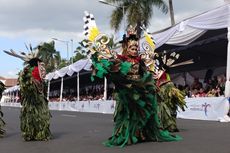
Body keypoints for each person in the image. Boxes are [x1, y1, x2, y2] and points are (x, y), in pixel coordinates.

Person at [83, 12, 181, 147]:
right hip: (127, 91)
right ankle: (127, 134)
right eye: (132, 48)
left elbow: (146, 73)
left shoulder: (141, 60)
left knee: (143, 113)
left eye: (136, 48)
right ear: (126, 48)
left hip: (140, 90)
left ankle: (141, 133)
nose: (135, 50)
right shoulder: (121, 59)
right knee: (128, 114)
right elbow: (111, 66)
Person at [4, 49, 52, 141]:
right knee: (37, 115)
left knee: (31, 115)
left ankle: (31, 134)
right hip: (35, 96)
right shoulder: (36, 69)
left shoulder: (28, 70)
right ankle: (38, 134)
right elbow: (42, 78)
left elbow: (26, 82)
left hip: (32, 96)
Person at [151, 52, 186, 132]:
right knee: (166, 108)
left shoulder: (162, 71)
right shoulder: (159, 72)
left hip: (166, 89)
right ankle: (168, 125)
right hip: (163, 89)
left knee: (169, 108)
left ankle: (169, 125)